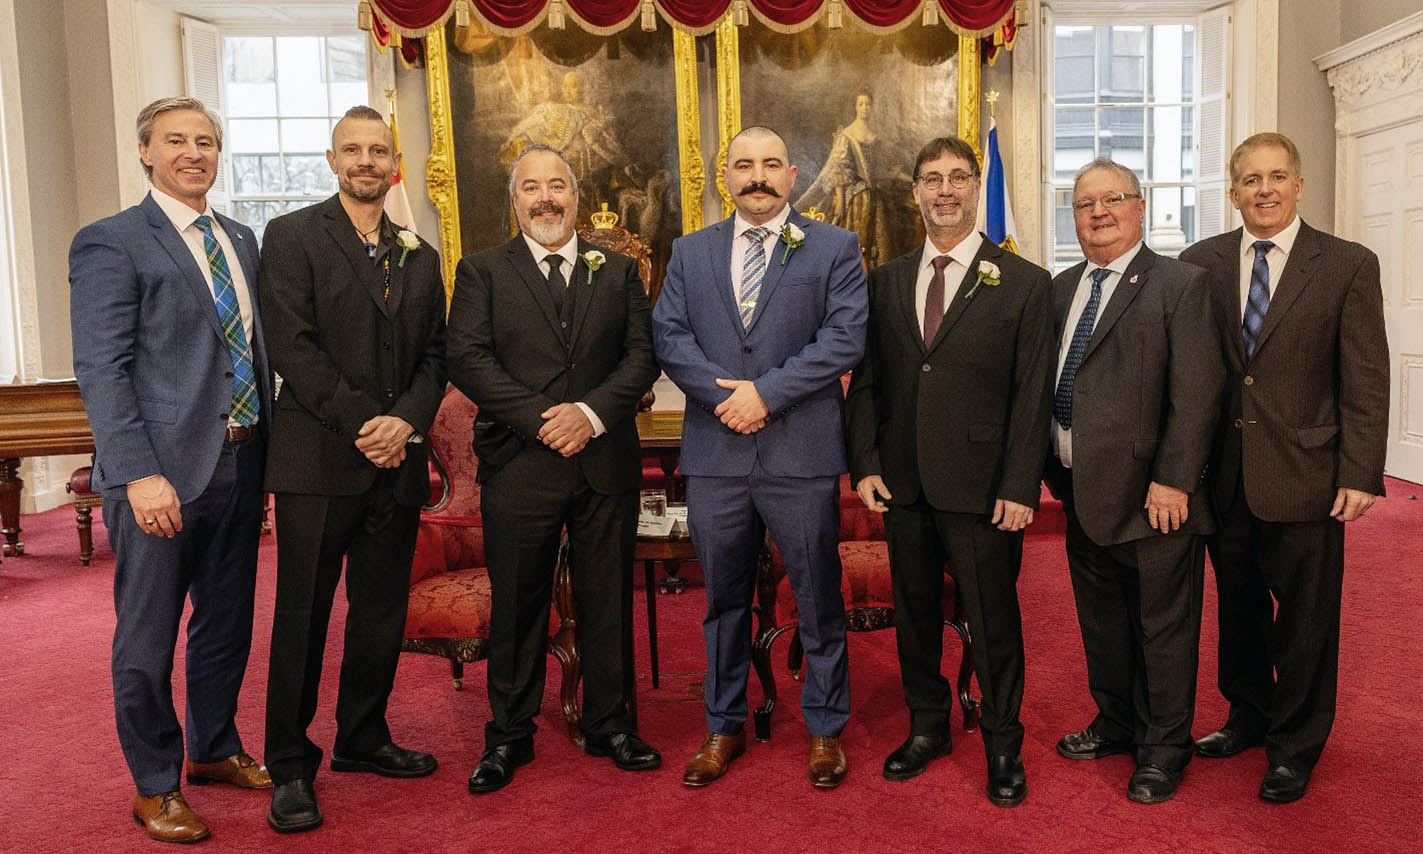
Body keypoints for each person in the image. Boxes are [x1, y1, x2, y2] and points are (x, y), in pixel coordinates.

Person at [69, 96, 274, 844]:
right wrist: (136, 474)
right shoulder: (112, 241)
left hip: (241, 460)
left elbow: (248, 352)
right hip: (159, 475)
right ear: (145, 152)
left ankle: (212, 746)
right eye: (177, 140)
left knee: (226, 623)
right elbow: (103, 369)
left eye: (206, 141)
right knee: (147, 640)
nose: (194, 153)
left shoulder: (240, 239)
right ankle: (154, 784)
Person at [653, 126, 867, 790]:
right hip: (716, 453)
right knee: (722, 601)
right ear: (725, 176)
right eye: (743, 164)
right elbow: (669, 334)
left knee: (816, 596)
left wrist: (764, 396)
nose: (757, 176)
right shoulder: (690, 251)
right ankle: (723, 725)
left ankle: (825, 728)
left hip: (799, 453)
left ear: (792, 176)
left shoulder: (833, 247)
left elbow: (844, 337)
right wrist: (728, 400)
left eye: (771, 164)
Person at [844, 136, 1053, 807]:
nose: (944, 190)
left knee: (993, 624)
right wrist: (865, 464)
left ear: (974, 186)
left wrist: (1020, 484)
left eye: (957, 177)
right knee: (914, 617)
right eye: (931, 179)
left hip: (984, 489)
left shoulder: (1024, 282)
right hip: (903, 485)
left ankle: (1002, 744)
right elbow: (868, 382)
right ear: (915, 192)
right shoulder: (886, 280)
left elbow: (1032, 394)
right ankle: (927, 727)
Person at [1180, 132, 1389, 803]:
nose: (1263, 189)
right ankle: (1247, 715)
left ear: (1298, 185)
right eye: (1250, 179)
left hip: (1307, 475)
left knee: (1304, 622)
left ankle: (1294, 746)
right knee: (1238, 610)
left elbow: (1365, 377)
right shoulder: (1200, 263)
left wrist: (1359, 471)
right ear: (1232, 192)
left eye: (1276, 177)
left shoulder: (1346, 264)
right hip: (1224, 476)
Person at [447, 143, 661, 794]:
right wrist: (547, 419)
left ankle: (611, 724)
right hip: (520, 465)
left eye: (557, 186)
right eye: (531, 187)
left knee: (607, 601)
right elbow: (469, 360)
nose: (546, 198)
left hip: (603, 463)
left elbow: (641, 357)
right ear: (515, 201)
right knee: (517, 606)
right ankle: (509, 735)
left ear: (575, 196)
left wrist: (589, 416)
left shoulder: (617, 271)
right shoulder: (482, 271)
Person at [259, 105, 448, 832]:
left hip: (396, 462)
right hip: (317, 461)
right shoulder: (293, 236)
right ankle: (289, 764)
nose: (366, 161)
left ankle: (363, 736)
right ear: (332, 159)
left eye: (378, 150)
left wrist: (406, 422)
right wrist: (369, 424)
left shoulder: (419, 254)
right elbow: (292, 345)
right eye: (353, 150)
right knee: (301, 615)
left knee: (379, 611)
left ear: (394, 164)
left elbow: (436, 355)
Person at [1043, 159, 1224, 804]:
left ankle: (1165, 747)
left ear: (1139, 207)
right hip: (1079, 489)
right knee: (1104, 623)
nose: (1099, 213)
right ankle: (1117, 722)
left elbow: (1198, 392)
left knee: (1162, 630)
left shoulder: (1180, 284)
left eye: (1113, 199)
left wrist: (1174, 479)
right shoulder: (1062, 288)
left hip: (1154, 499)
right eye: (1084, 203)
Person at [794, 92, 902, 268]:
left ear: (872, 107)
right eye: (861, 104)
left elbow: (883, 170)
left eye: (868, 104)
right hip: (856, 199)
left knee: (879, 247)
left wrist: (911, 179)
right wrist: (840, 203)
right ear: (855, 107)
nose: (865, 108)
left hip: (874, 199)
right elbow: (840, 170)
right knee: (854, 245)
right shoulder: (847, 135)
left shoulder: (876, 137)